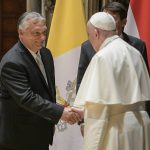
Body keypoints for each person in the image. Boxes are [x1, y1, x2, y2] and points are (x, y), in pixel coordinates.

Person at [0, 12, 82, 150]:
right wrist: (60, 113)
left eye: (44, 32)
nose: (43, 38)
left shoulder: (46, 54)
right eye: (36, 33)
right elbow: (27, 98)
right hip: (19, 139)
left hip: (41, 133)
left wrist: (61, 110)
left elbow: (45, 92)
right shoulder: (12, 63)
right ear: (21, 33)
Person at [74, 12, 150, 150]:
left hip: (116, 130)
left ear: (96, 33)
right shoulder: (134, 52)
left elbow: (99, 110)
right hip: (139, 127)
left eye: (90, 37)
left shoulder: (102, 57)